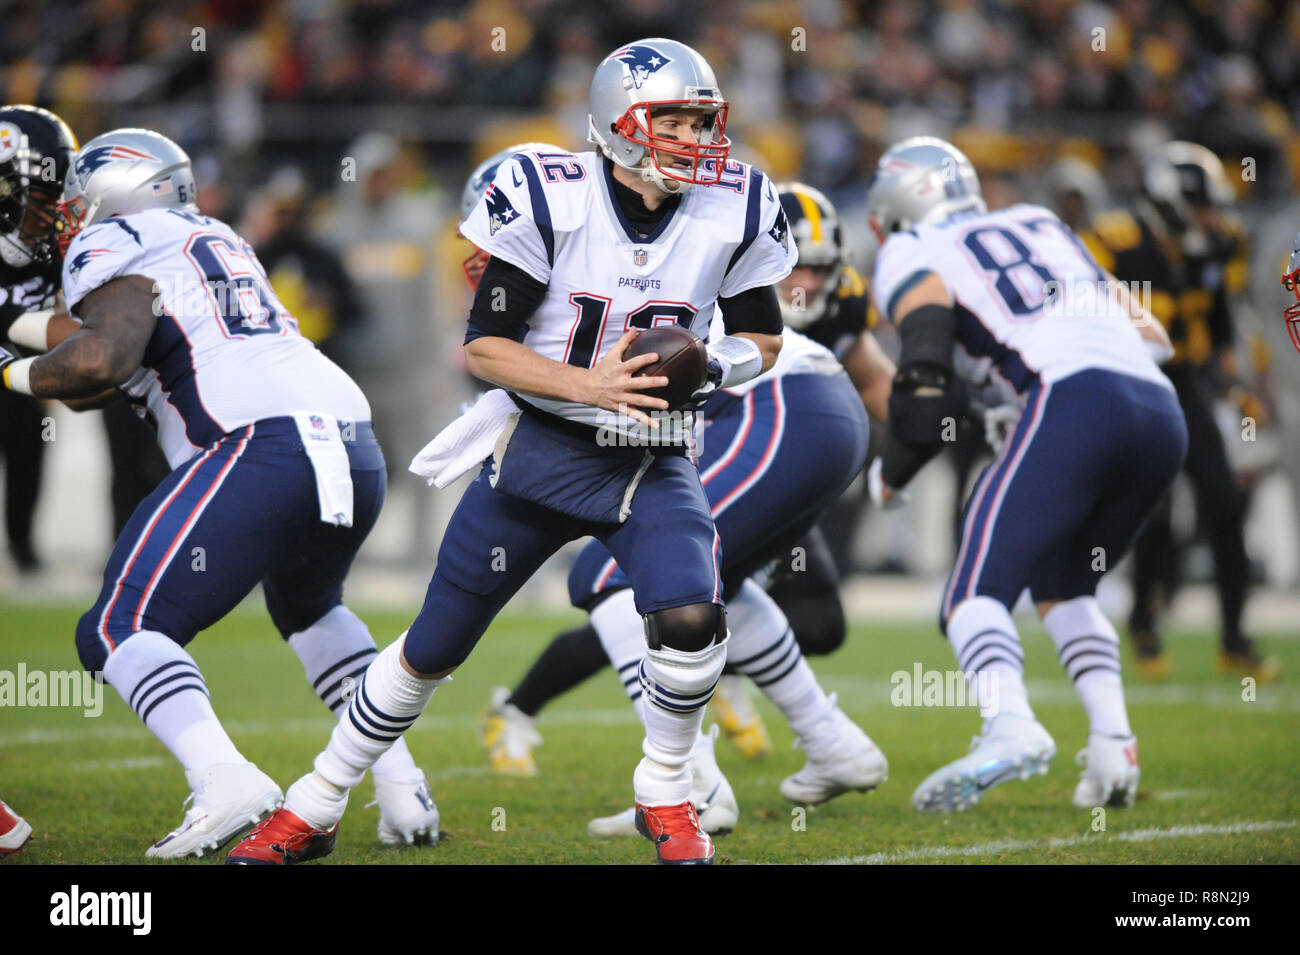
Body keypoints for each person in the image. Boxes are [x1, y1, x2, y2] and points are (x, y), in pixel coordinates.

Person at [228, 37, 788, 866]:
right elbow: (486, 348)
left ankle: (666, 792)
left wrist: (716, 362)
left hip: (649, 456)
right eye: (672, 119)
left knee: (692, 615)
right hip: (540, 451)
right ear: (616, 123)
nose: (695, 140)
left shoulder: (733, 204)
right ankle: (315, 803)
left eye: (702, 121)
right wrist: (588, 385)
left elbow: (765, 338)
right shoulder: (545, 194)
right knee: (433, 645)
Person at [0, 127, 440, 858]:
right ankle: (403, 788)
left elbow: (100, 359)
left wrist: (6, 370)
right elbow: (100, 358)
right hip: (346, 435)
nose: (70, 217)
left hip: (259, 444)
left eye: (81, 200)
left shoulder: (112, 243)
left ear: (117, 195)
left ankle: (223, 777)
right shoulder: (211, 235)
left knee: (117, 625)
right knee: (310, 607)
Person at [482, 184, 895, 804]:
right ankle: (834, 745)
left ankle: (690, 786)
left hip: (781, 408)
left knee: (611, 575)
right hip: (823, 415)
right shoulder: (676, 256)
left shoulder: (614, 273)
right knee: (708, 585)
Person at [864, 136, 1186, 812]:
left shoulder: (909, 249)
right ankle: (1112, 750)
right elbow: (1156, 336)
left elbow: (925, 370)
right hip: (1159, 411)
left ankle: (1010, 723)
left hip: (1073, 399)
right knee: (1066, 586)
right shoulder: (1039, 221)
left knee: (972, 591)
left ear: (893, 206)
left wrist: (891, 470)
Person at [1080, 142, 1278, 682]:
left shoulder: (1215, 247)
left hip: (1186, 382)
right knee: (1156, 509)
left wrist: (1237, 389)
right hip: (1128, 381)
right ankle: (1144, 624)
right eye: (1202, 207)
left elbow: (1219, 327)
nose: (1212, 218)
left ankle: (1234, 639)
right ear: (1168, 204)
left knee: (1223, 499)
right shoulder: (1114, 241)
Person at [0, 104, 80, 858]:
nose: (50, 218)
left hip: (25, 383)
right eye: (38, 200)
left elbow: (88, 363)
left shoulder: (65, 253)